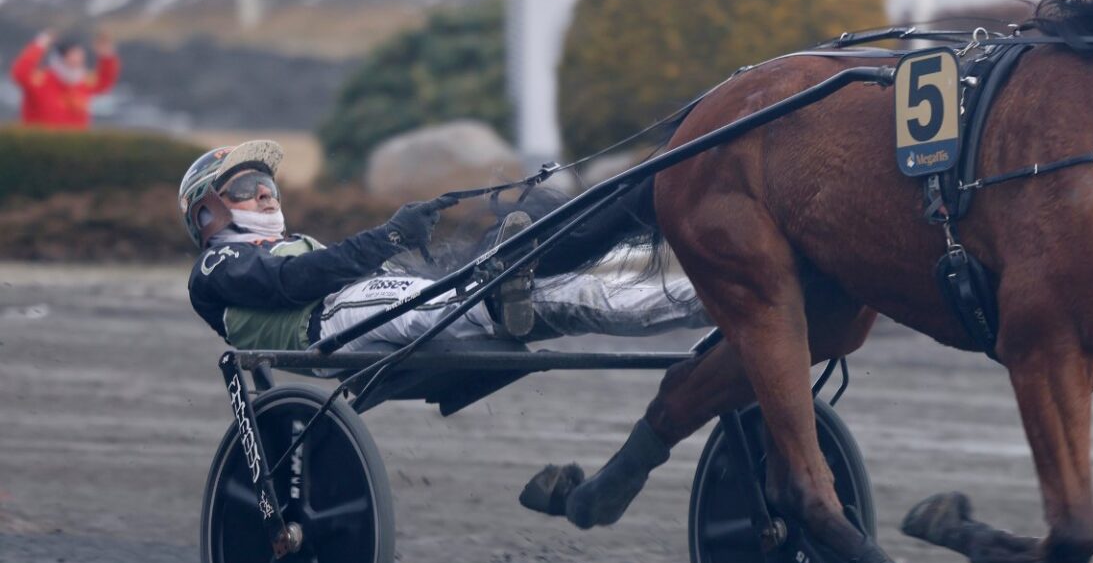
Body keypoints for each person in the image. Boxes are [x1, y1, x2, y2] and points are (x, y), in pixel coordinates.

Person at [181, 139, 704, 355]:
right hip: (326, 322)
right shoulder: (216, 265)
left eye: (267, 183)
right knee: (449, 297)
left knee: (578, 293)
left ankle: (708, 303)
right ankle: (496, 294)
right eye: (247, 187)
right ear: (208, 214)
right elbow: (294, 282)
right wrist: (390, 235)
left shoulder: (296, 243)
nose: (266, 193)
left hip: (370, 305)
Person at [11, 29, 119, 128]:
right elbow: (20, 73)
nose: (77, 61)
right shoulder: (41, 80)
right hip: (40, 141)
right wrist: (40, 44)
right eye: (72, 56)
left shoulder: (84, 82)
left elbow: (105, 82)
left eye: (80, 56)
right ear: (60, 58)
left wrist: (106, 55)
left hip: (75, 142)